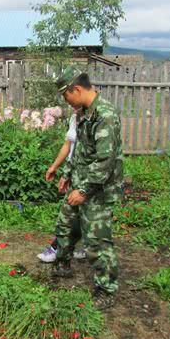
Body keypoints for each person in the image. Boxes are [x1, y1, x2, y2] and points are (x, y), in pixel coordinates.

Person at [51, 68, 123, 310]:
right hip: (80, 183)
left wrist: (83, 191)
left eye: (66, 96)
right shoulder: (83, 113)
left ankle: (106, 290)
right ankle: (62, 264)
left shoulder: (105, 115)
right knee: (66, 225)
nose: (65, 101)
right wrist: (67, 174)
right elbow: (79, 151)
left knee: (96, 241)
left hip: (98, 191)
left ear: (77, 90)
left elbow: (105, 161)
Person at [38, 109, 87, 263]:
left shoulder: (96, 118)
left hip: (89, 176)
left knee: (77, 213)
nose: (72, 106)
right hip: (74, 172)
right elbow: (68, 145)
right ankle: (64, 247)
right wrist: (56, 167)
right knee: (71, 213)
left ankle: (61, 248)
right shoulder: (74, 118)